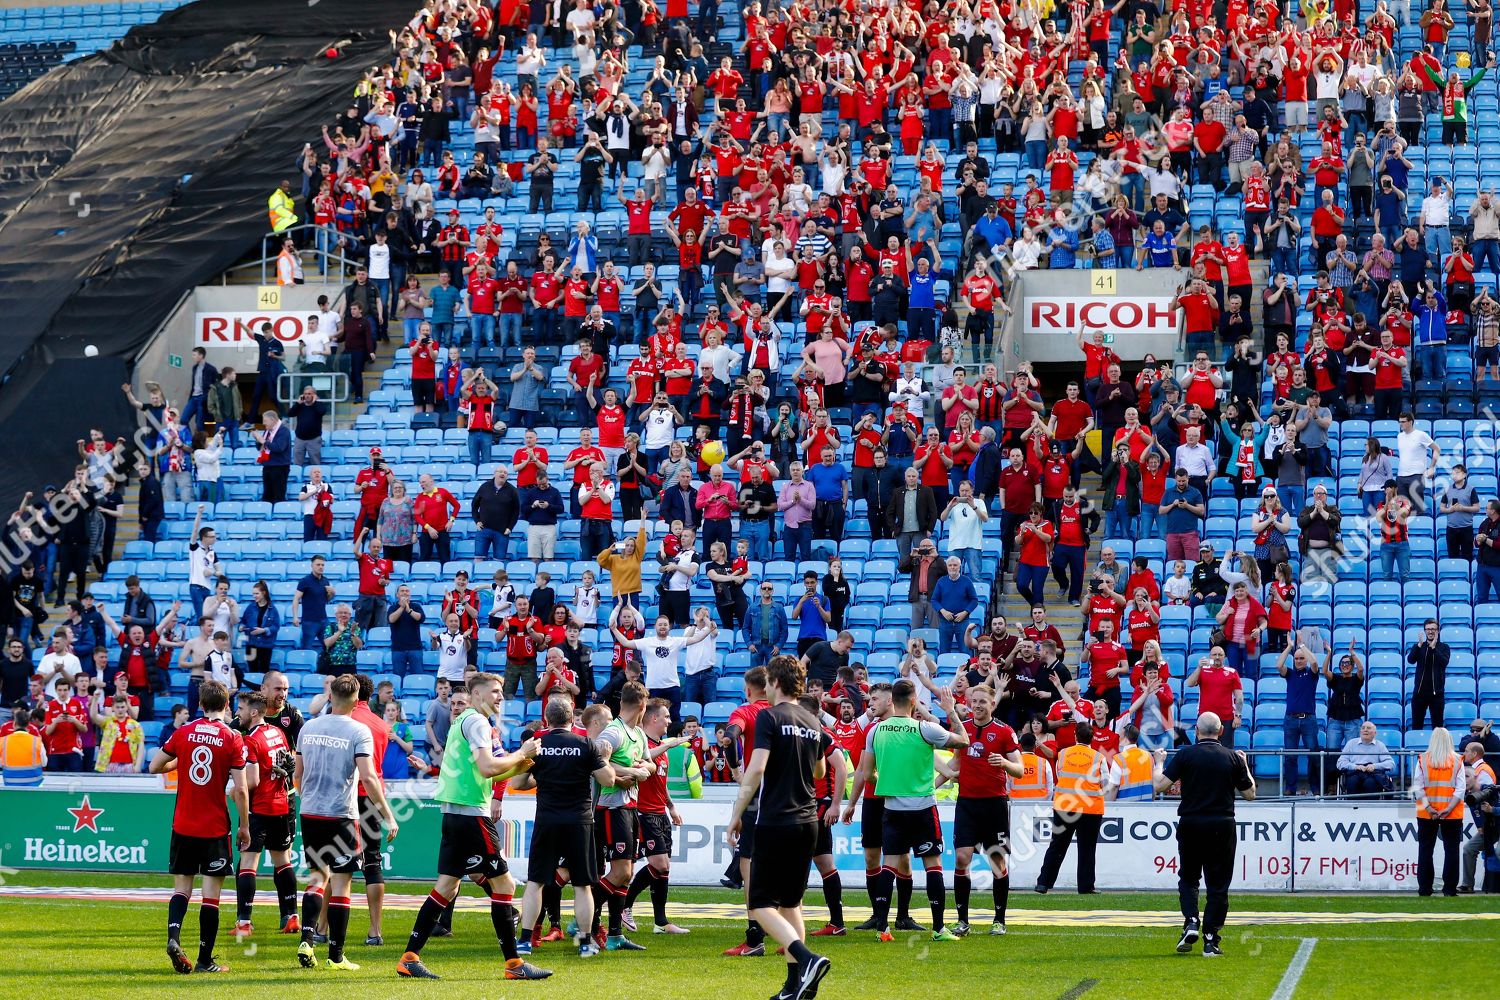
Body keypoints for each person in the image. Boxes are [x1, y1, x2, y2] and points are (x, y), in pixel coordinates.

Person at [395, 672, 549, 981]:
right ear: (476, 695)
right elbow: (487, 767)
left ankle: (409, 958)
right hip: (471, 816)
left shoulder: (468, 721)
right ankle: (514, 965)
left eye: (501, 692)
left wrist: (522, 763)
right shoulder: (478, 722)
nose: (500, 697)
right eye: (494, 691)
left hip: (457, 814)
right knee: (504, 886)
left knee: (447, 887)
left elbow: (490, 773)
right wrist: (522, 754)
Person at [728, 655, 835, 1000]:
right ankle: (794, 987)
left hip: (777, 819)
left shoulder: (769, 717)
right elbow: (820, 773)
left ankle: (806, 960)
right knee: (791, 903)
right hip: (808, 821)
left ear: (774, 683)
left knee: (759, 902)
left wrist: (736, 812)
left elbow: (756, 769)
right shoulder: (812, 720)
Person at [292, 673, 399, 971]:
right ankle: (336, 956)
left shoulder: (309, 728)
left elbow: (297, 775)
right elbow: (367, 776)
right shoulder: (358, 730)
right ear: (356, 700)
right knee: (341, 883)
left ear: (330, 695)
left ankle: (308, 938)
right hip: (341, 813)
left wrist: (308, 799)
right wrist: (388, 815)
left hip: (311, 811)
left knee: (317, 877)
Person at [849, 678, 968, 941]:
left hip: (892, 808)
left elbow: (866, 773)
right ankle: (939, 929)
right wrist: (949, 710)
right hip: (923, 807)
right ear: (914, 701)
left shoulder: (875, 731)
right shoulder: (925, 729)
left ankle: (883, 928)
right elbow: (963, 740)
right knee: (932, 866)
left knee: (888, 865)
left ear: (893, 700)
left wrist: (892, 784)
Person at [147, 679, 251, 975]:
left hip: (183, 824)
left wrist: (179, 763)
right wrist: (244, 826)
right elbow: (241, 790)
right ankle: (205, 960)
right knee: (211, 896)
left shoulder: (183, 732)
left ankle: (174, 937)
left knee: (182, 889)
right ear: (227, 705)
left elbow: (155, 766)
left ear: (200, 705)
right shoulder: (232, 737)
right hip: (214, 827)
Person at [512, 699, 619, 960]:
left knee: (536, 882)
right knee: (582, 885)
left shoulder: (538, 744)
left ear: (547, 720)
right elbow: (609, 780)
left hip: (547, 820)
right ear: (573, 719)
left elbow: (519, 782)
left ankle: (525, 940)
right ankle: (584, 943)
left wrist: (539, 773)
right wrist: (603, 757)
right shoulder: (586, 745)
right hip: (579, 822)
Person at [1150, 711, 1256, 957]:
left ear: (1197, 732)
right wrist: (1245, 764)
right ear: (1221, 731)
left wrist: (1158, 763)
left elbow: (1159, 786)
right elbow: (1250, 794)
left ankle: (1190, 921)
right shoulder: (1232, 757)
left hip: (1191, 822)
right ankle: (1211, 939)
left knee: (1189, 878)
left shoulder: (1186, 754)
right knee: (1218, 885)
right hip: (1222, 823)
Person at [951, 683, 1024, 936]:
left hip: (994, 805)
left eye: (983, 701)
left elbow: (1020, 769)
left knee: (996, 862)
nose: (978, 705)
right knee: (961, 858)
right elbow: (954, 764)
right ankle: (962, 921)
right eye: (975, 701)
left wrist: (1003, 762)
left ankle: (999, 920)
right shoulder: (963, 729)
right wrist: (932, 781)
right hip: (967, 804)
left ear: (993, 704)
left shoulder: (1004, 732)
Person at [233, 691, 300, 936]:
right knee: (283, 861)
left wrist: (234, 790)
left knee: (248, 863)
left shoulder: (250, 740)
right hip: (282, 804)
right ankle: (292, 917)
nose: (237, 713)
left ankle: (244, 923)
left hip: (260, 807)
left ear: (253, 712)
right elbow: (287, 764)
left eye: (240, 708)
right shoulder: (278, 733)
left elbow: (250, 781)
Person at [1034, 720, 1108, 895]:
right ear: (1092, 738)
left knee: (1057, 846)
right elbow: (1105, 782)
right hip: (1090, 808)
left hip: (1064, 806)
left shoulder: (1063, 754)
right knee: (1087, 849)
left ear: (1075, 736)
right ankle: (1086, 886)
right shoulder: (1099, 757)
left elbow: (1060, 774)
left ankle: (1043, 883)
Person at [1412, 726, 1466, 897]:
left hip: (1427, 812)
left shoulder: (1423, 759)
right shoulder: (1458, 760)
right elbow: (1461, 788)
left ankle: (1425, 888)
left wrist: (1428, 808)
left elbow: (1418, 787)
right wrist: (1449, 808)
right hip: (1452, 812)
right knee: (1451, 850)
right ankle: (1450, 889)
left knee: (1425, 849)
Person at [1337, 721, 1396, 795]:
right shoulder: (1351, 743)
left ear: (1375, 733)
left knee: (1370, 783)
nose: (1365, 730)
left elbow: (1391, 764)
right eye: (1363, 728)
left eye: (1368, 728)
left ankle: (1371, 806)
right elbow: (1340, 763)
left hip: (1372, 774)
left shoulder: (1380, 745)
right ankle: (1352, 805)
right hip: (1354, 773)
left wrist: (1374, 766)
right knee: (1352, 782)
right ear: (1360, 731)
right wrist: (1355, 767)